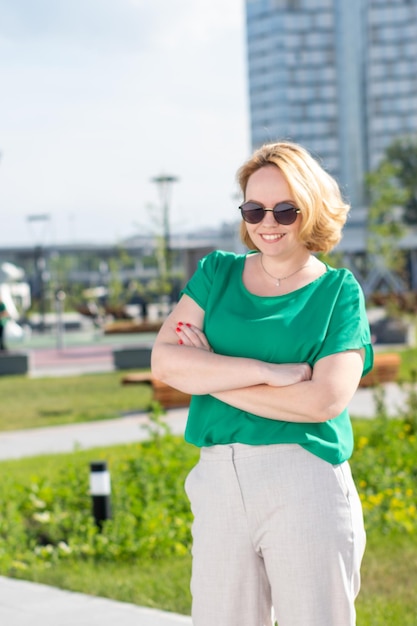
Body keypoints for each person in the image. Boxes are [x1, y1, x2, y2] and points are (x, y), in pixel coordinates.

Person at [151, 141, 373, 626]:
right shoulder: (216, 273)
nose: (266, 223)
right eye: (254, 209)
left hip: (306, 479)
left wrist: (211, 374)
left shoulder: (339, 292)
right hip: (217, 481)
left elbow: (323, 400)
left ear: (310, 209)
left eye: (284, 210)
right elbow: (166, 363)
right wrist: (267, 374)